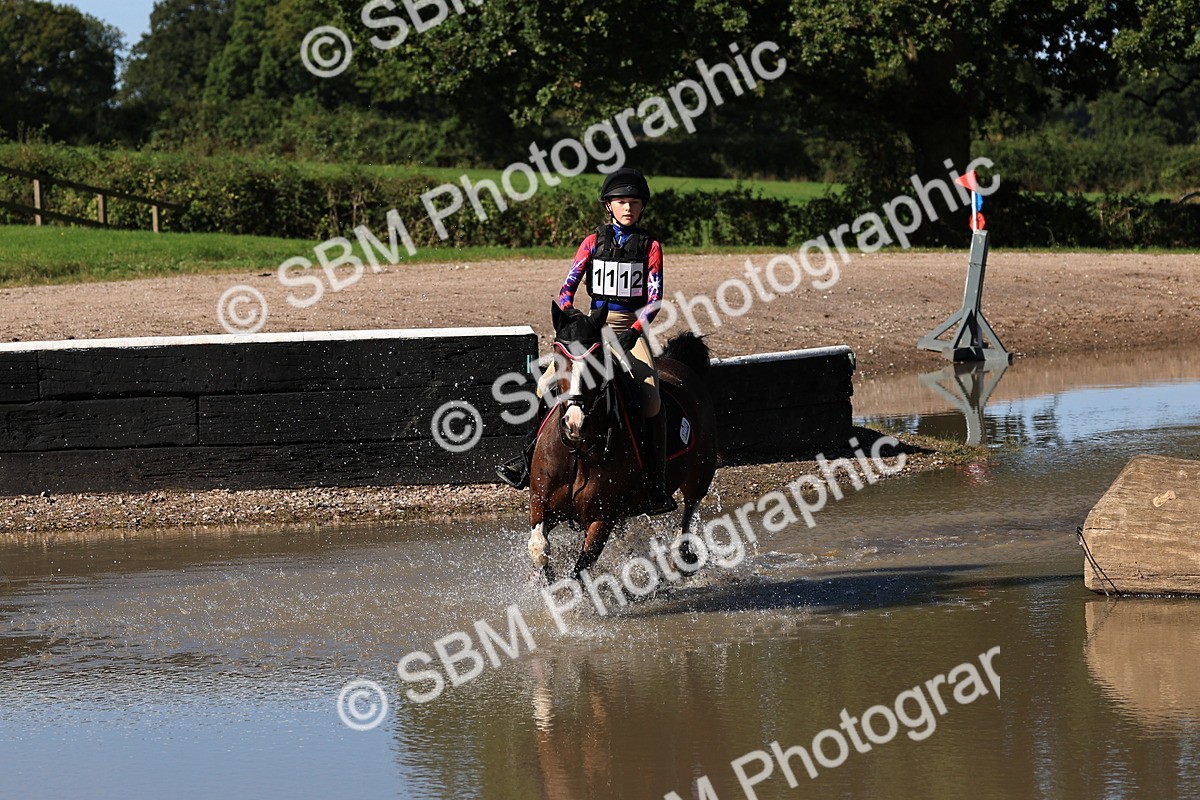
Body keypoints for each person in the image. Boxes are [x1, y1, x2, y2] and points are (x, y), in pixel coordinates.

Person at [495, 167, 677, 515]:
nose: (628, 208)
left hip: (628, 329)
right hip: (592, 329)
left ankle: (655, 481)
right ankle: (525, 460)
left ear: (642, 207)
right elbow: (567, 289)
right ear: (609, 206)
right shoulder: (592, 242)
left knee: (652, 400)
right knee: (544, 386)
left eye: (634, 202)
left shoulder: (651, 246)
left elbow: (654, 300)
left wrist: (635, 331)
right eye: (621, 202)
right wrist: (572, 317)